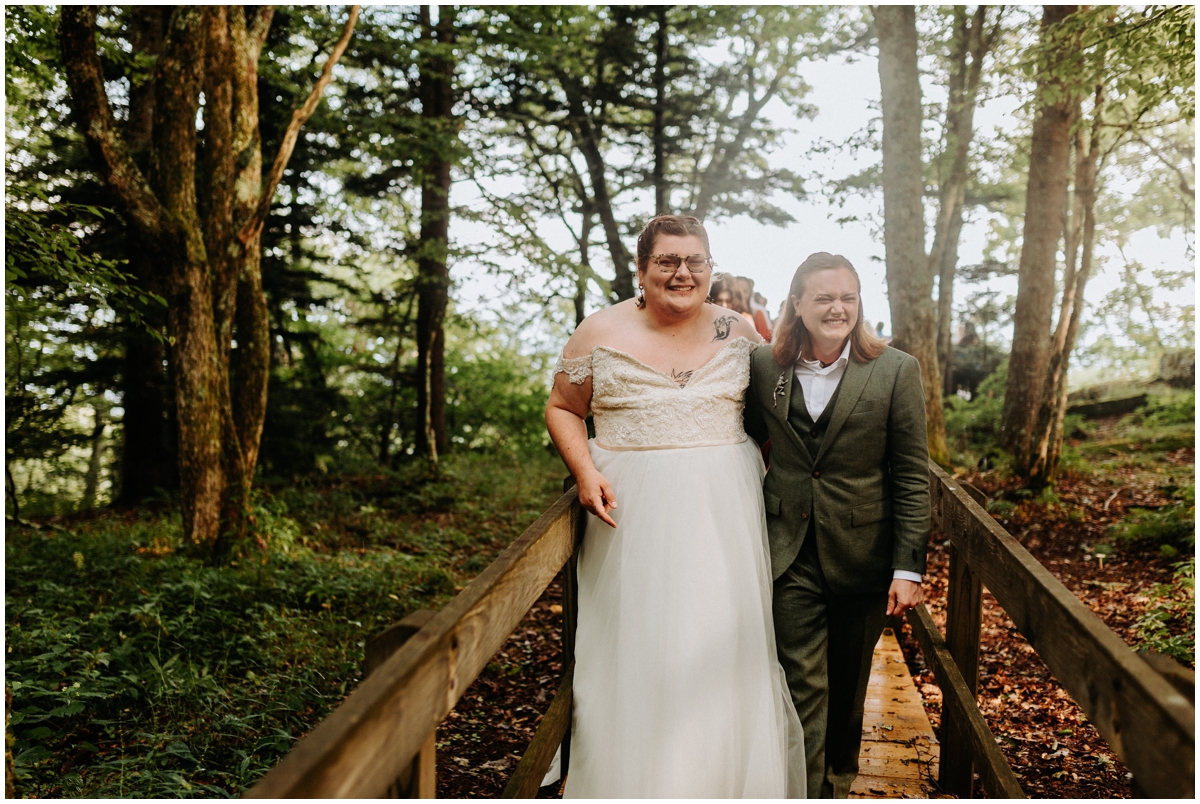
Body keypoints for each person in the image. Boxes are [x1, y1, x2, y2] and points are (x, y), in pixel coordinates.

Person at [545, 215, 806, 798]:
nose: (681, 272)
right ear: (642, 270)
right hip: (632, 514)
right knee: (635, 644)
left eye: (694, 261)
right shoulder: (598, 331)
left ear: (711, 269)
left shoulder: (739, 332)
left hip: (725, 513)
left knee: (721, 642)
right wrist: (584, 471)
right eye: (666, 261)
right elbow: (563, 407)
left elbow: (784, 408)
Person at [744, 252, 930, 798]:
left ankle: (839, 781)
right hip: (788, 550)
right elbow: (743, 437)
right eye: (824, 297)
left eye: (847, 297)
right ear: (797, 304)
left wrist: (908, 566)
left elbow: (912, 476)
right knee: (803, 683)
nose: (837, 308)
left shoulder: (897, 371)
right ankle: (806, 792)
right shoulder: (763, 367)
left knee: (848, 687)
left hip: (863, 553)